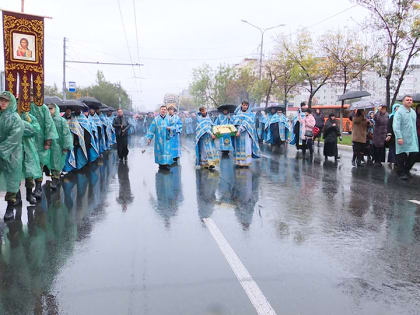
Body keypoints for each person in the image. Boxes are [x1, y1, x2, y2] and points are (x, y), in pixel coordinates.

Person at [0, 92, 24, 220]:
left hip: (13, 154)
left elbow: (14, 138)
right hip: (1, 152)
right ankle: (17, 195)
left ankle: (10, 207)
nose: (3, 103)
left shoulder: (16, 118)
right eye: (1, 100)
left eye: (6, 101)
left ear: (11, 103)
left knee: (11, 180)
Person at [30, 101, 59, 199]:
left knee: (39, 164)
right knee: (30, 166)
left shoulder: (43, 108)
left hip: (41, 142)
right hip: (29, 141)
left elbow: (49, 125)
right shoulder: (25, 107)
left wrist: (48, 141)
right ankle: (31, 190)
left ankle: (38, 188)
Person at [48, 103, 73, 190]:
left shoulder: (62, 121)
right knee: (51, 163)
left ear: (55, 109)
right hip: (48, 146)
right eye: (48, 109)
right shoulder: (47, 120)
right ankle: (54, 179)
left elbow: (66, 134)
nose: (49, 110)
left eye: (51, 109)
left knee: (56, 164)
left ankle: (55, 179)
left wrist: (66, 146)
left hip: (58, 146)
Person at [393, 95, 419, 180]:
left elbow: (414, 127)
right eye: (407, 100)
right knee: (401, 155)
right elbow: (396, 126)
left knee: (415, 154)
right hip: (402, 137)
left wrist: (416, 138)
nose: (409, 101)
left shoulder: (413, 112)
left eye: (411, 100)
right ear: (403, 102)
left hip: (412, 138)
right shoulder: (399, 112)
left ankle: (406, 169)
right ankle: (401, 172)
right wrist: (399, 137)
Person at [20, 111, 42, 204]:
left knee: (29, 173)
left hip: (28, 148)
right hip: (15, 149)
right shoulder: (9, 116)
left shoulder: (29, 117)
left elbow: (35, 129)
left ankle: (29, 195)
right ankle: (16, 198)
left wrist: (23, 124)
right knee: (14, 174)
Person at [232, 101, 260, 167]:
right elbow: (234, 123)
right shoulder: (237, 114)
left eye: (246, 105)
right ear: (241, 105)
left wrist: (240, 129)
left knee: (247, 148)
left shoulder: (251, 115)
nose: (245, 106)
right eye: (243, 105)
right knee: (238, 148)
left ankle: (246, 163)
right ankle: (239, 162)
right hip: (238, 135)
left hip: (246, 134)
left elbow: (249, 124)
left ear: (248, 106)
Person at [147, 105, 172, 170]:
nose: (163, 110)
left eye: (164, 109)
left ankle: (166, 164)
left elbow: (174, 127)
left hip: (167, 139)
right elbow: (151, 129)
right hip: (159, 139)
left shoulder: (169, 119)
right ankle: (161, 164)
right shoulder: (156, 119)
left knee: (167, 151)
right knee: (160, 151)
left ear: (166, 111)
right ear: (160, 110)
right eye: (162, 109)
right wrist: (149, 138)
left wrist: (171, 129)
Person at [386, 103, 400, 168]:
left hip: (399, 135)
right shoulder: (392, 116)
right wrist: (389, 134)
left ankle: (397, 162)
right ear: (394, 109)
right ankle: (391, 161)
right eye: (396, 108)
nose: (397, 109)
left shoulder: (401, 117)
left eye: (399, 107)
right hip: (392, 135)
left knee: (398, 150)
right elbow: (389, 126)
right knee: (392, 149)